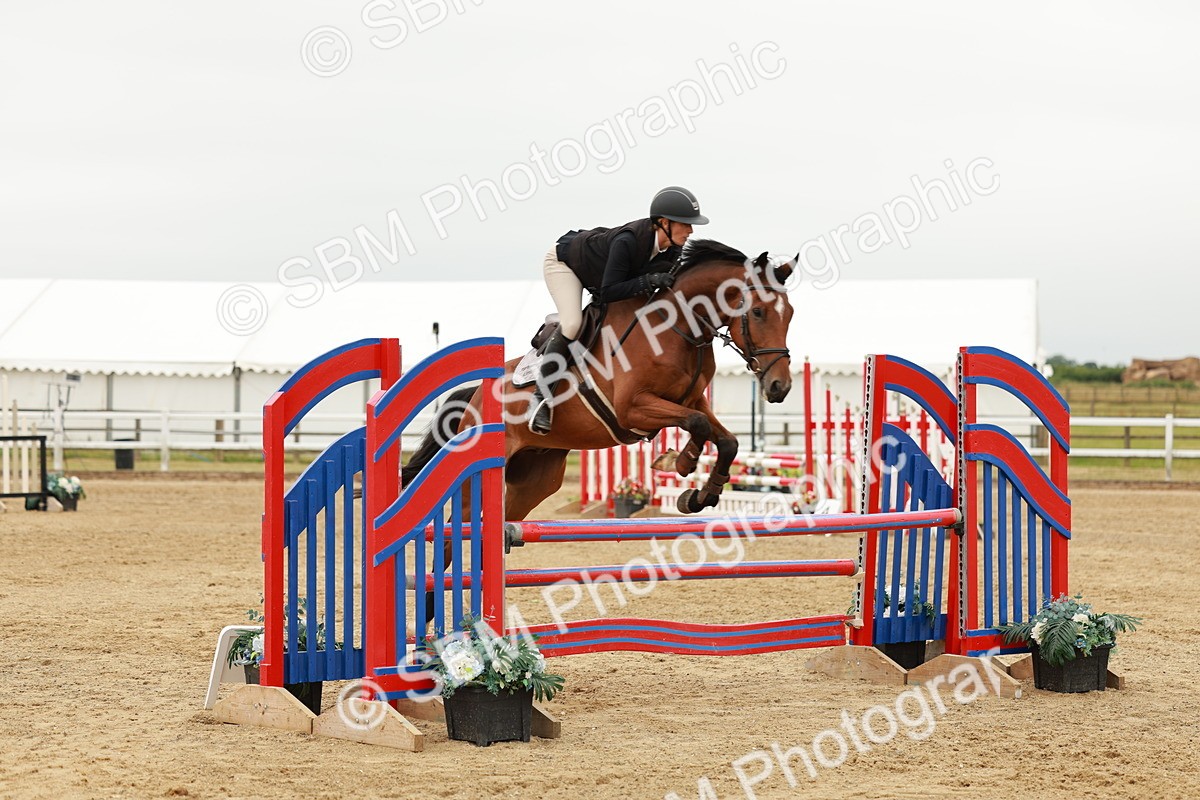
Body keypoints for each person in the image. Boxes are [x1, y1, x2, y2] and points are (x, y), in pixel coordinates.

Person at [530, 185, 709, 435]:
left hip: (600, 272)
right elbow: (607, 293)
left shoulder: (674, 249)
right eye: (686, 224)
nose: (691, 230)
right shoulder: (627, 241)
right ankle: (541, 398)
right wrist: (649, 281)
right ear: (664, 223)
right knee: (572, 323)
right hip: (565, 264)